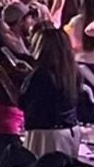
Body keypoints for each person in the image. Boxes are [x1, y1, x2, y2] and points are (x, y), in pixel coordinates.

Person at [19, 26, 82, 156]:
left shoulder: (40, 74)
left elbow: (22, 103)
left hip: (45, 135)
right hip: (69, 132)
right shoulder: (72, 72)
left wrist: (4, 79)